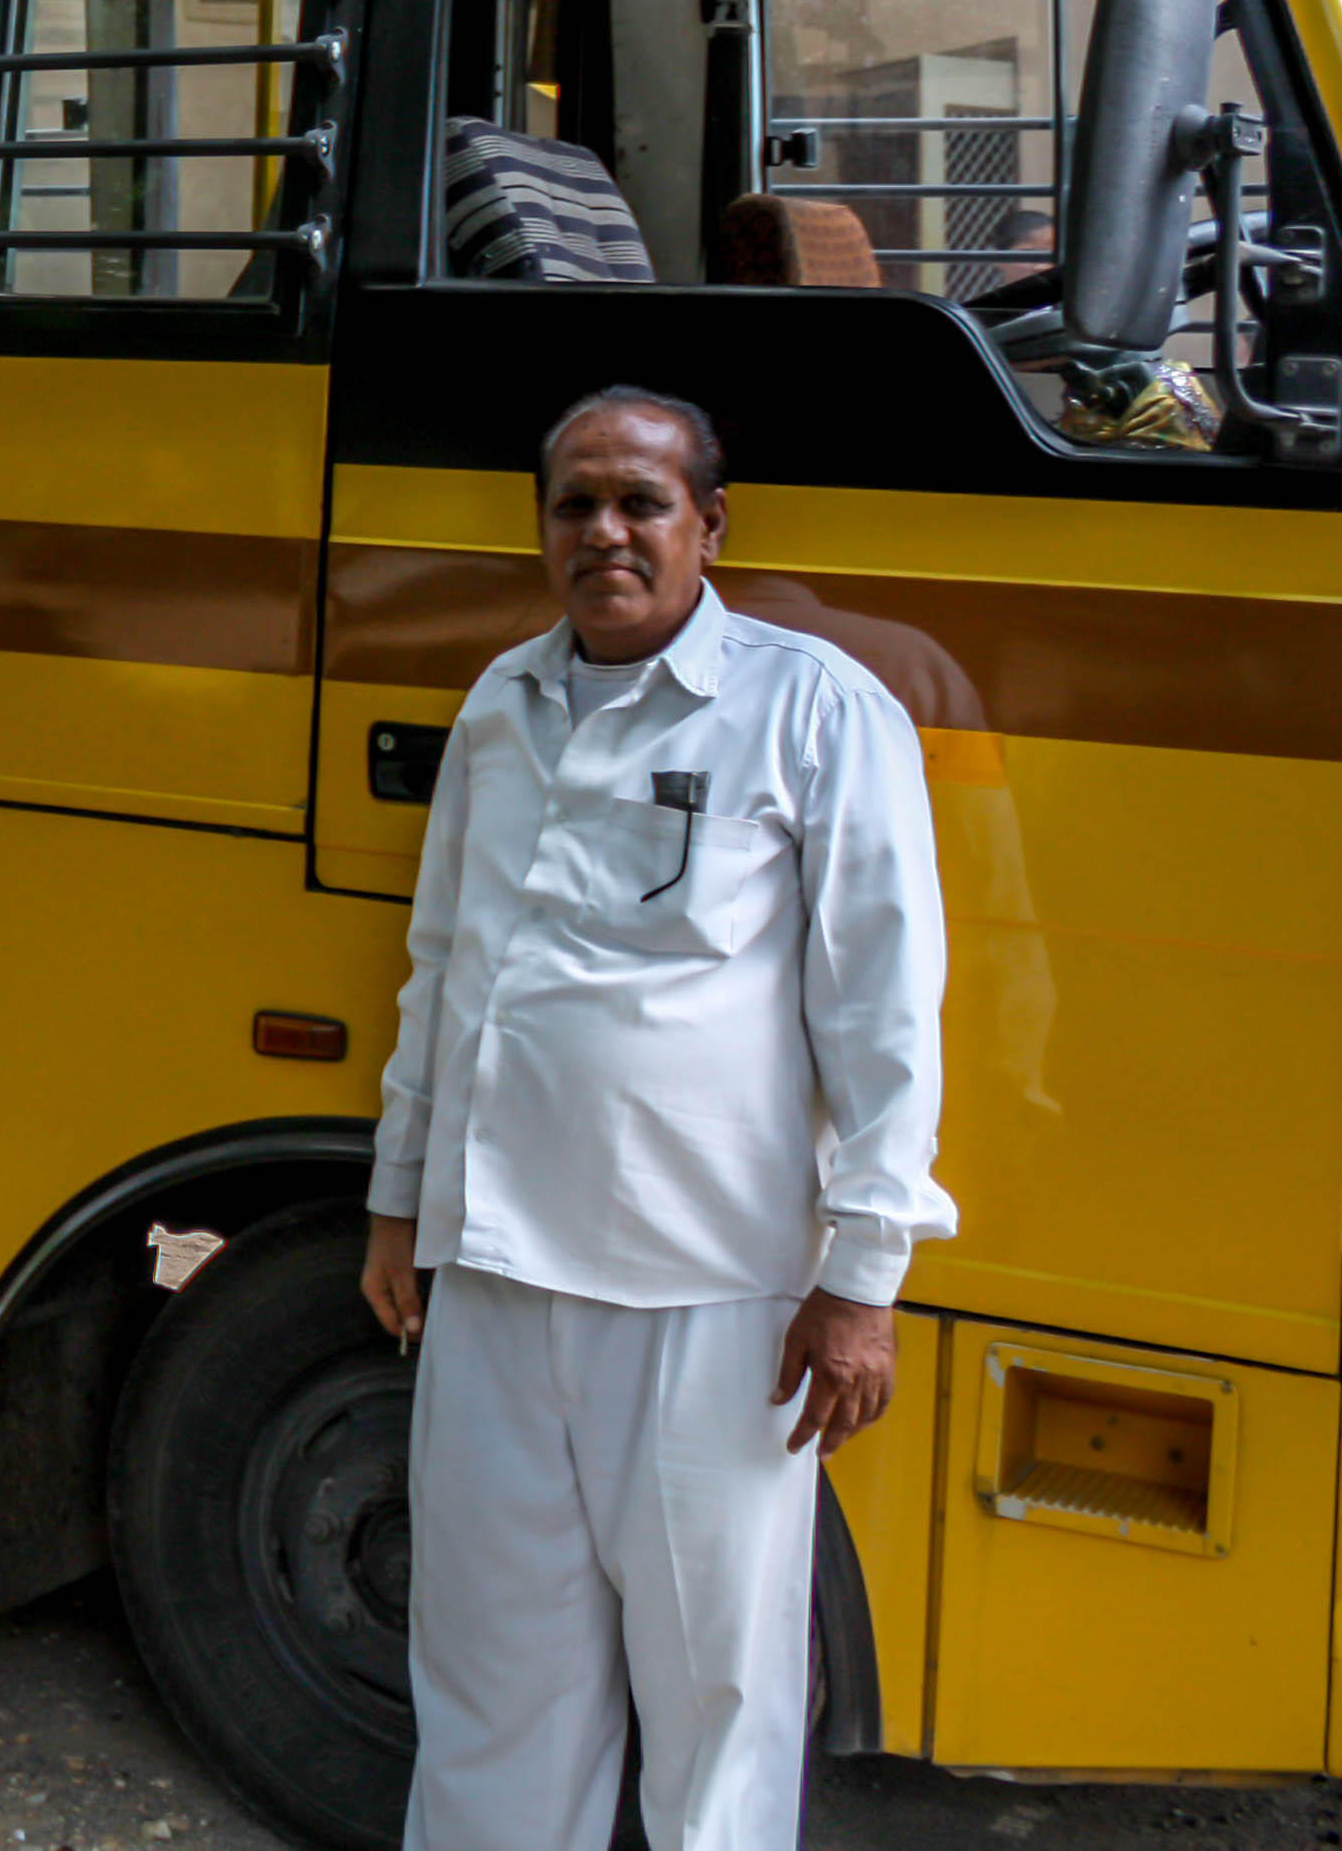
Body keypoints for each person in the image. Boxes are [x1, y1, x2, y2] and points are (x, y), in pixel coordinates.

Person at [363, 386, 952, 1851]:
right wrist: (398, 1195)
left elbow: (882, 1008)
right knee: (495, 1686)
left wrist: (862, 1283)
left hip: (713, 1302)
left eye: (641, 502)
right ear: (542, 527)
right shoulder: (502, 703)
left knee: (719, 1705)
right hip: (498, 1282)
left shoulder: (811, 708)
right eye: (576, 503)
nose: (606, 532)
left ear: (710, 525)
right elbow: (446, 972)